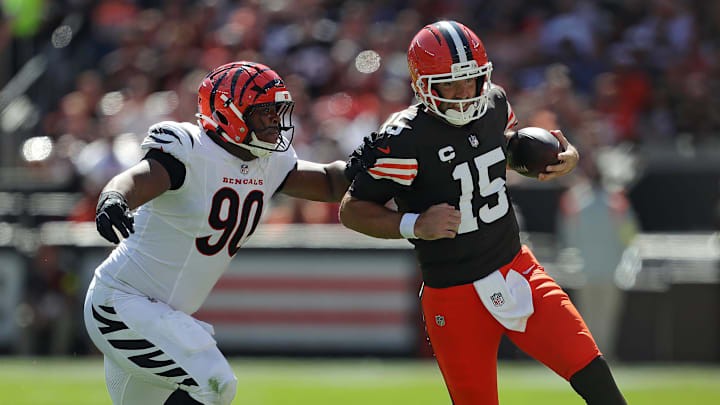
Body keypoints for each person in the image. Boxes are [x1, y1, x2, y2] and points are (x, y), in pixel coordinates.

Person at [339, 21, 627, 405]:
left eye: (470, 81)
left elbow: (495, 152)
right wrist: (413, 225)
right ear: (423, 84)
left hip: (517, 270)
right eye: (449, 85)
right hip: (452, 296)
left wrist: (561, 157)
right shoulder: (403, 139)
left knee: (597, 380)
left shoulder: (494, 104)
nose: (462, 94)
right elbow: (352, 210)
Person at [83, 61, 359, 405]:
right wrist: (114, 197)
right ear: (229, 113)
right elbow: (141, 177)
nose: (276, 123)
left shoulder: (268, 160)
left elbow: (332, 183)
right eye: (265, 113)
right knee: (216, 383)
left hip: (164, 315)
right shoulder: (190, 149)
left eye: (278, 112)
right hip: (121, 302)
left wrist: (369, 162)